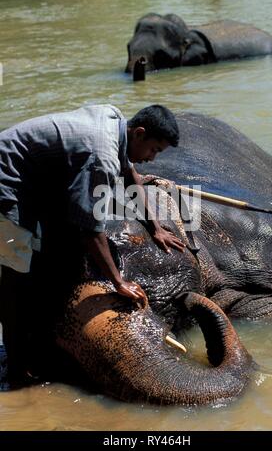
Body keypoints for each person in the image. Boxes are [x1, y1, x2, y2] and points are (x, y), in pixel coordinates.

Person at [0, 103, 185, 384]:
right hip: (7, 178)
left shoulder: (114, 120)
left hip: (32, 172)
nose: (153, 158)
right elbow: (91, 230)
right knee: (15, 270)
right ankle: (15, 369)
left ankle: (36, 338)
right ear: (139, 133)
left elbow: (130, 173)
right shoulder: (102, 157)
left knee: (47, 248)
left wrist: (155, 227)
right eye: (154, 150)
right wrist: (118, 281)